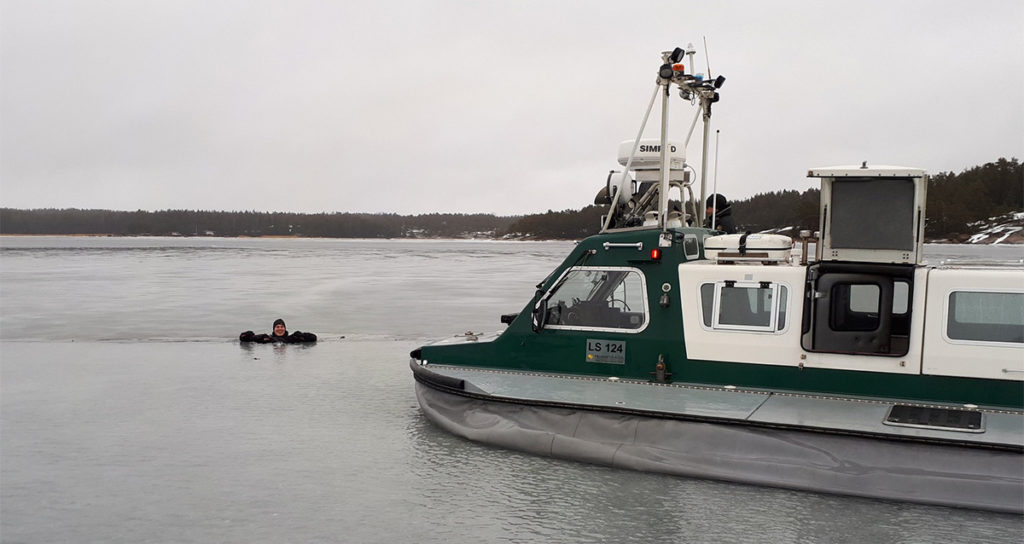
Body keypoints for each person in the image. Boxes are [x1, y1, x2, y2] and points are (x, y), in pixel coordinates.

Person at [239, 318, 317, 343]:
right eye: (277, 327)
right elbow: (243, 338)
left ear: (285, 328)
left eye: (282, 326)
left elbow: (314, 338)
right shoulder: (267, 338)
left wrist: (302, 335)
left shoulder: (293, 338)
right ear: (274, 329)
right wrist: (249, 334)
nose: (280, 328)